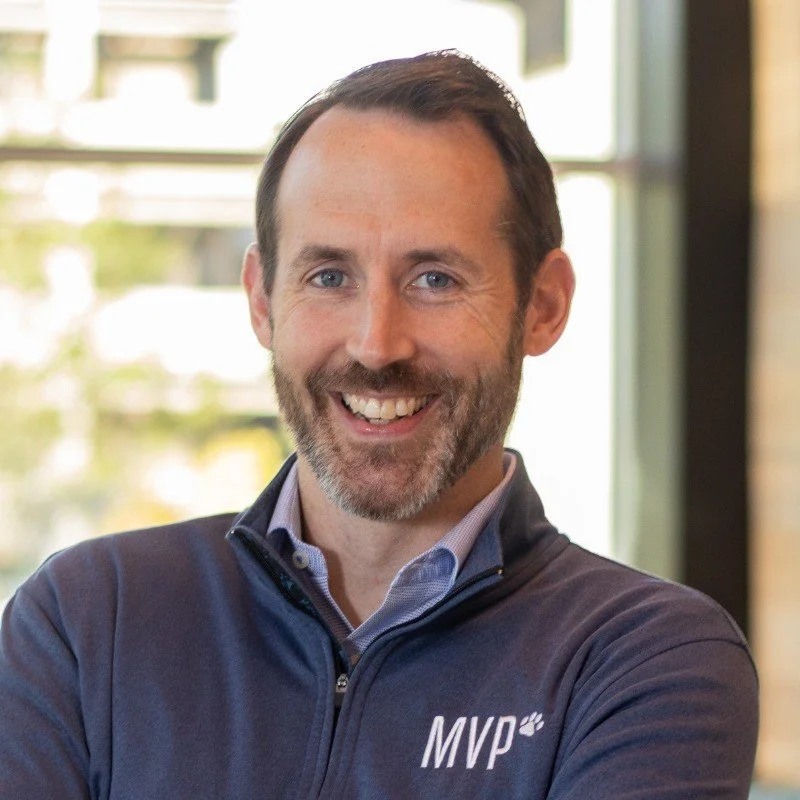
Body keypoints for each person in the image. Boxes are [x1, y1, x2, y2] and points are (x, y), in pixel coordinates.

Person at [0, 51, 757, 799]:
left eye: (435, 279)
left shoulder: (646, 662)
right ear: (263, 301)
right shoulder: (87, 622)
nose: (376, 345)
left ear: (543, 305)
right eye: (329, 276)